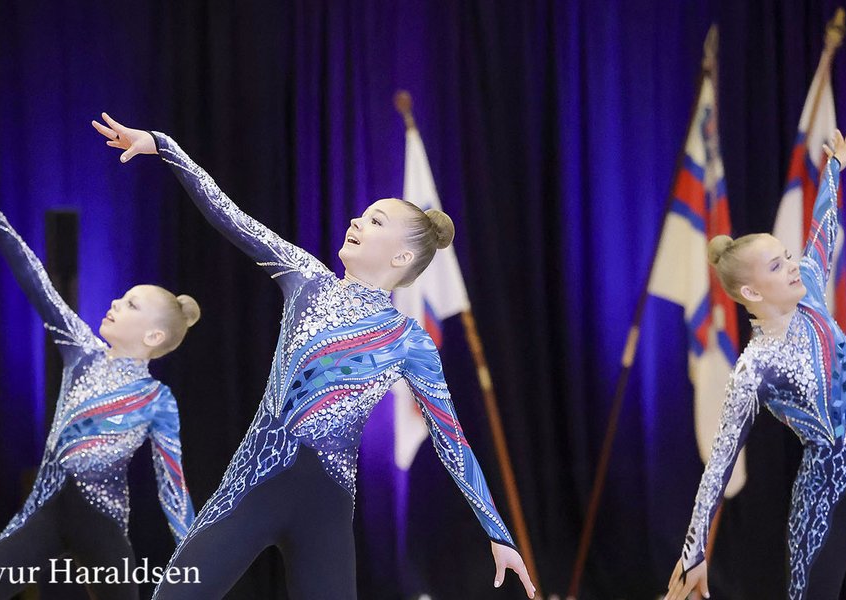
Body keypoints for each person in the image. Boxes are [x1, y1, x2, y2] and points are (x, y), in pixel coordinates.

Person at [91, 112, 536, 599]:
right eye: (362, 214)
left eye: (376, 221)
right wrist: (163, 146)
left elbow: (452, 439)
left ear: (402, 258)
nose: (356, 221)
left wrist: (498, 533)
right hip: (250, 487)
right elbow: (230, 216)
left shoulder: (409, 340)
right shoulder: (306, 279)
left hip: (324, 511)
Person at [0, 171, 199, 600]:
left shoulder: (157, 400)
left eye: (131, 305)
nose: (115, 303)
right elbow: (38, 284)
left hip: (103, 524)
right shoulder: (81, 350)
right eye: (122, 298)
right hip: (43, 514)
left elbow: (173, 486)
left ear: (154, 336)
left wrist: (198, 555)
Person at [665, 129, 846, 600]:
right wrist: (693, 550)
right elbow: (719, 464)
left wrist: (834, 167)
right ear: (750, 292)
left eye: (786, 256)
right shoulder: (755, 369)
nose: (792, 265)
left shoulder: (810, 283)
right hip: (826, 497)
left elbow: (822, 226)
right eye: (776, 266)